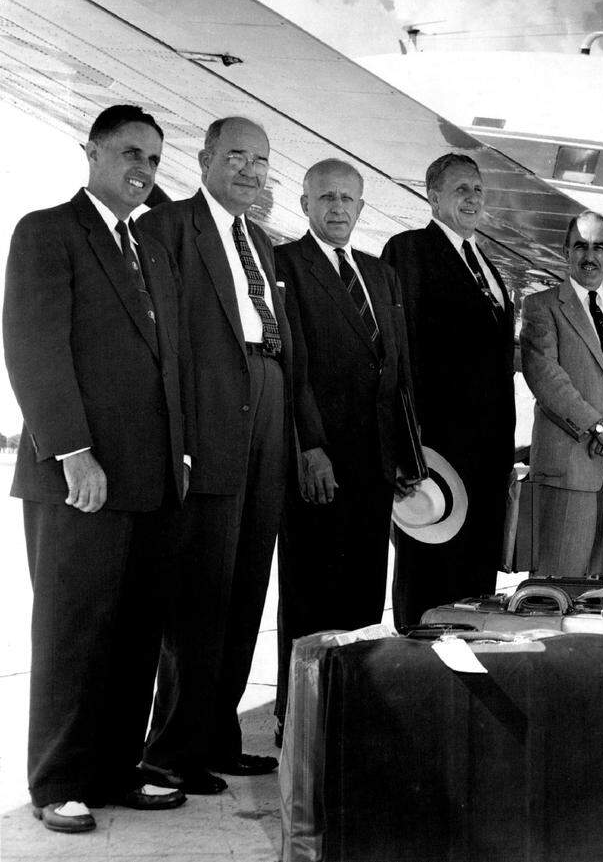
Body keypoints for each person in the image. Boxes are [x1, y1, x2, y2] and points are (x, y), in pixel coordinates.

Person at [3, 105, 188, 831]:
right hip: (78, 476)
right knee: (73, 630)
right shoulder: (47, 231)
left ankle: (113, 768)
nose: (142, 170)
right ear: (92, 153)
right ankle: (58, 780)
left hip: (147, 476)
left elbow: (165, 364)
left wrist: (179, 450)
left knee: (135, 630)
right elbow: (33, 347)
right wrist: (73, 451)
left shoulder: (147, 249)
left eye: (152, 159)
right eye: (129, 155)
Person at [139, 116, 291, 794]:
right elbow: (161, 343)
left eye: (260, 160)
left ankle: (216, 734)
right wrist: (180, 437)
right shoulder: (169, 229)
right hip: (210, 416)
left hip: (266, 401)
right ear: (202, 160)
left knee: (245, 586)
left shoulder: (257, 238)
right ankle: (170, 750)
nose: (250, 170)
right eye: (235, 156)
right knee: (199, 595)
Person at [272, 159, 419, 732]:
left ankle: (349, 708)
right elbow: (295, 367)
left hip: (376, 463)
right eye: (326, 198)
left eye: (347, 200)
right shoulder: (286, 264)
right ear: (304, 203)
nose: (337, 209)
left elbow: (399, 370)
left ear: (362, 208)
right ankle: (297, 714)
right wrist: (309, 446)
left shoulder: (380, 275)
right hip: (321, 461)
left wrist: (408, 453)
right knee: (310, 593)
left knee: (363, 594)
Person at [382, 154, 515, 626]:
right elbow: (400, 350)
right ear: (432, 196)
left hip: (486, 451)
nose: (472, 198)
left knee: (475, 576)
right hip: (435, 448)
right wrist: (405, 441)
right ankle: (418, 661)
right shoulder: (411, 249)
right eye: (460, 189)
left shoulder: (486, 264)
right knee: (428, 568)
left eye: (477, 189)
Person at [519, 212, 603, 574]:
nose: (589, 256)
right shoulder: (541, 307)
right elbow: (546, 376)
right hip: (570, 467)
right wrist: (598, 427)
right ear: (565, 252)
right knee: (559, 584)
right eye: (580, 246)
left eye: (599, 246)